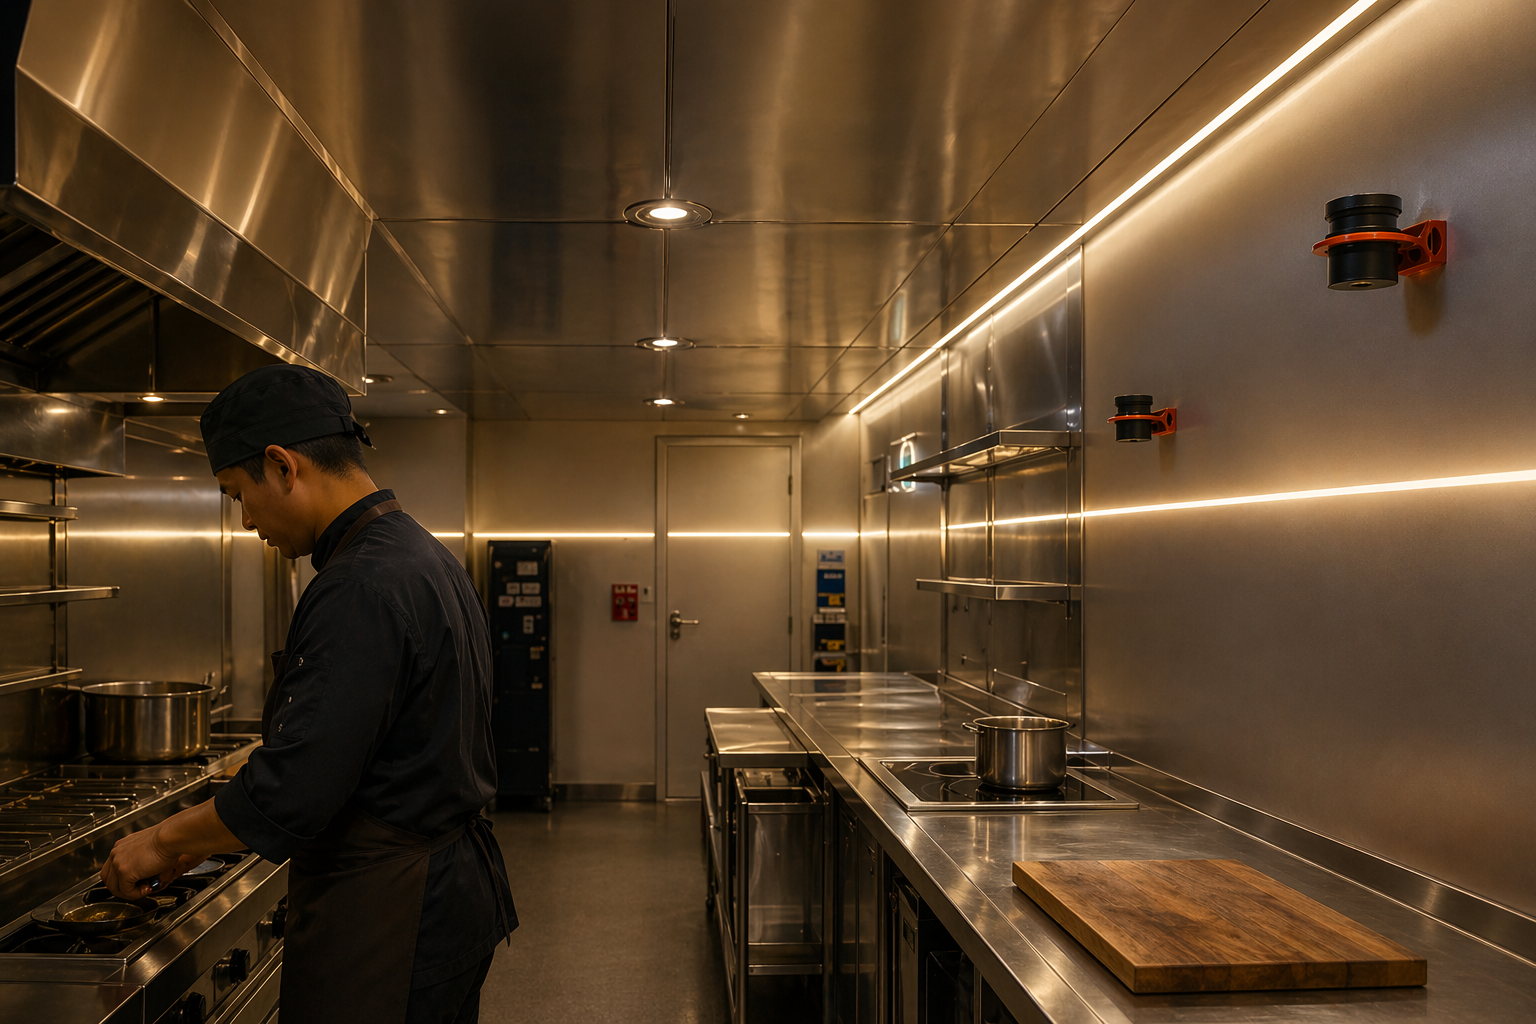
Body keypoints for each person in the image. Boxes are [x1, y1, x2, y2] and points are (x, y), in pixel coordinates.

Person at [101, 364, 515, 1024]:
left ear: (282, 466)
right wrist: (209, 835)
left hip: (391, 917)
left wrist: (163, 841)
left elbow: (295, 791)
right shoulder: (421, 553)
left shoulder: (357, 585)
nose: (245, 521)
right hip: (448, 893)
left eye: (238, 494)